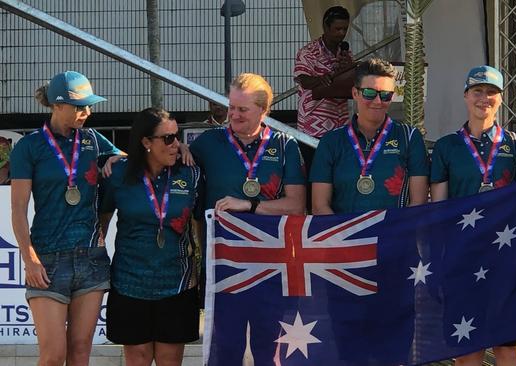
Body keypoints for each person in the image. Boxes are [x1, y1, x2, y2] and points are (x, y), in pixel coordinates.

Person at [429, 65, 516, 366]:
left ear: (501, 99)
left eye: (492, 93)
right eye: (478, 91)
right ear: (465, 96)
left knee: (508, 346)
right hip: (461, 256)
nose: (484, 98)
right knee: (466, 348)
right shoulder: (447, 146)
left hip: (505, 255)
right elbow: (438, 208)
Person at [310, 58, 429, 364]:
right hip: (345, 260)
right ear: (354, 93)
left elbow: (418, 204)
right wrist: (344, 244)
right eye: (370, 93)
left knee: (394, 343)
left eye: (386, 95)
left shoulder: (409, 138)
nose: (378, 101)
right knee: (348, 343)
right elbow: (319, 204)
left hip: (395, 257)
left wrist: (397, 243)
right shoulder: (332, 142)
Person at [190, 73, 306, 365]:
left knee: (270, 350)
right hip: (225, 265)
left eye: (243, 109)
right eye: (231, 107)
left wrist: (249, 205)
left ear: (263, 110)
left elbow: (296, 205)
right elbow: (159, 157)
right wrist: (116, 155)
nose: (234, 115)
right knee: (225, 350)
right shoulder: (208, 142)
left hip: (272, 265)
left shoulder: (284, 145)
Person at [10, 71, 121, 365]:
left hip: (91, 258)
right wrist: (29, 258)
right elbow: (18, 209)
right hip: (47, 258)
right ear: (58, 105)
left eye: (89, 105)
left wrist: (115, 157)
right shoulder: (29, 146)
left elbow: (132, 159)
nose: (88, 112)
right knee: (52, 355)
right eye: (80, 106)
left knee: (81, 350)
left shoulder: (93, 140)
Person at [99, 108, 201, 365]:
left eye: (176, 137)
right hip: (129, 283)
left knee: (169, 360)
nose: (176, 144)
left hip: (177, 284)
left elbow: (201, 225)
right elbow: (102, 224)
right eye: (167, 139)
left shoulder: (190, 173)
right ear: (146, 142)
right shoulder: (118, 174)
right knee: (138, 358)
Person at [294, 5, 353, 139]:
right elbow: (303, 80)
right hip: (313, 126)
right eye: (337, 29)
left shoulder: (345, 53)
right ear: (326, 27)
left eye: (345, 29)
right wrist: (320, 80)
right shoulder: (308, 52)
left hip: (340, 124)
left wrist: (349, 70)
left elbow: (350, 83)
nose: (342, 33)